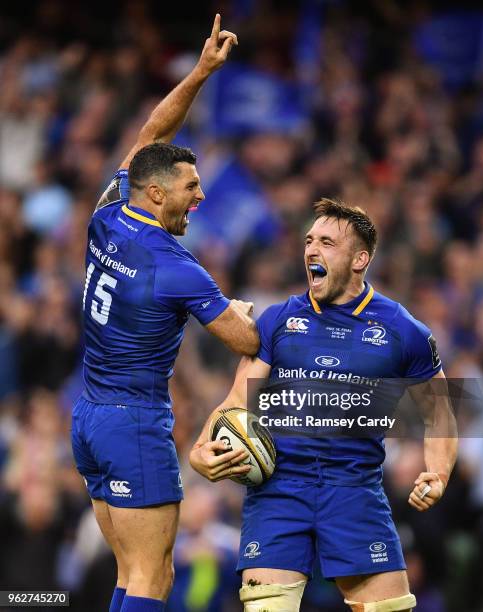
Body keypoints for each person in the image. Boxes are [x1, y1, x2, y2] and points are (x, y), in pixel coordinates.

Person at [71, 15, 259, 612]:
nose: (200, 198)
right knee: (153, 578)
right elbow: (247, 339)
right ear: (156, 193)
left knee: (131, 574)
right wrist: (253, 312)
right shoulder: (176, 266)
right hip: (134, 423)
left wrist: (201, 72)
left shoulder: (107, 214)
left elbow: (153, 133)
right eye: (190, 189)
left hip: (90, 417)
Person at [190, 198, 458, 612]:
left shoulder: (403, 329)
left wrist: (438, 472)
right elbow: (236, 401)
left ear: (359, 259)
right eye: (309, 240)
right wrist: (200, 450)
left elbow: (439, 411)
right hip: (278, 490)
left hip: (355, 489)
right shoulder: (278, 320)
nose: (311, 250)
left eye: (327, 243)